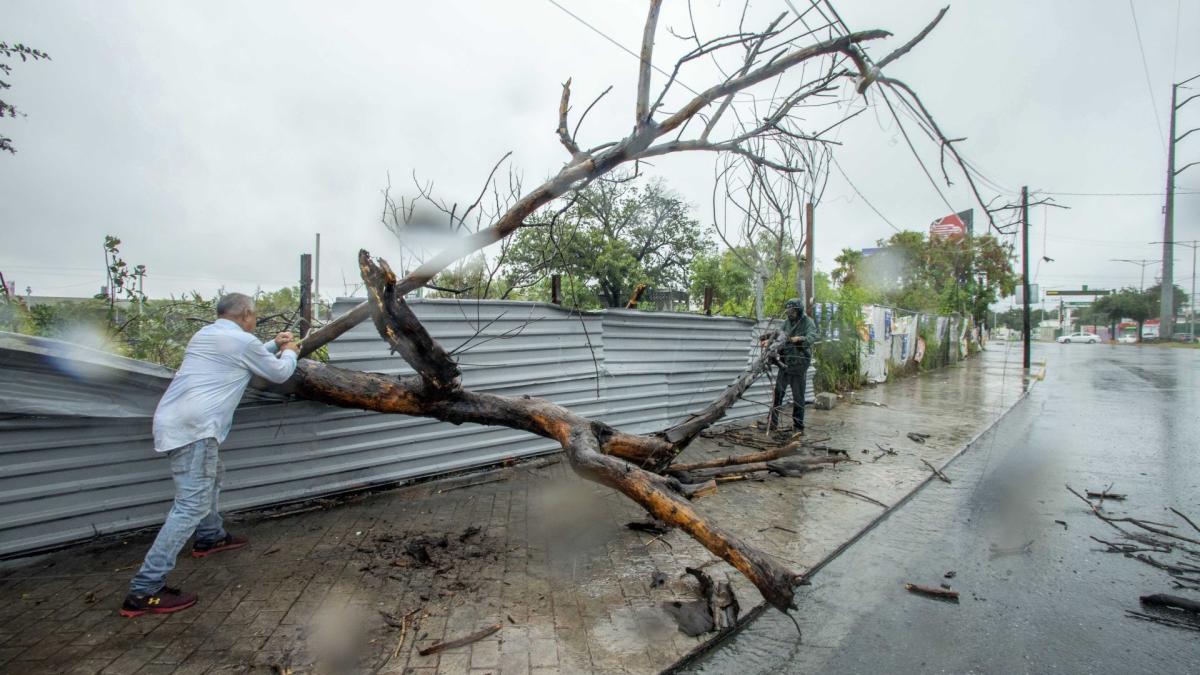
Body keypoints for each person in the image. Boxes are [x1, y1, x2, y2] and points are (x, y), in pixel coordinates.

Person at [120, 293, 300, 617]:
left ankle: (210, 536)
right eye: (254, 315)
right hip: (195, 430)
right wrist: (288, 352)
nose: (255, 320)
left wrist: (272, 344)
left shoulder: (205, 335)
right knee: (190, 506)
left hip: (175, 422)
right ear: (245, 314)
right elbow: (279, 373)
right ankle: (144, 589)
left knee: (213, 476)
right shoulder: (241, 343)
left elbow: (245, 354)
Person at [761, 298, 817, 437]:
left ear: (798, 310)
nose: (789, 313)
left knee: (798, 397)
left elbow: (812, 337)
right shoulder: (786, 323)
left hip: (799, 365)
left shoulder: (807, 322)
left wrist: (799, 339)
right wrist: (769, 341)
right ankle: (772, 423)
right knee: (778, 393)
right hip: (785, 364)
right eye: (788, 310)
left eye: (792, 310)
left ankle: (798, 426)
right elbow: (779, 336)